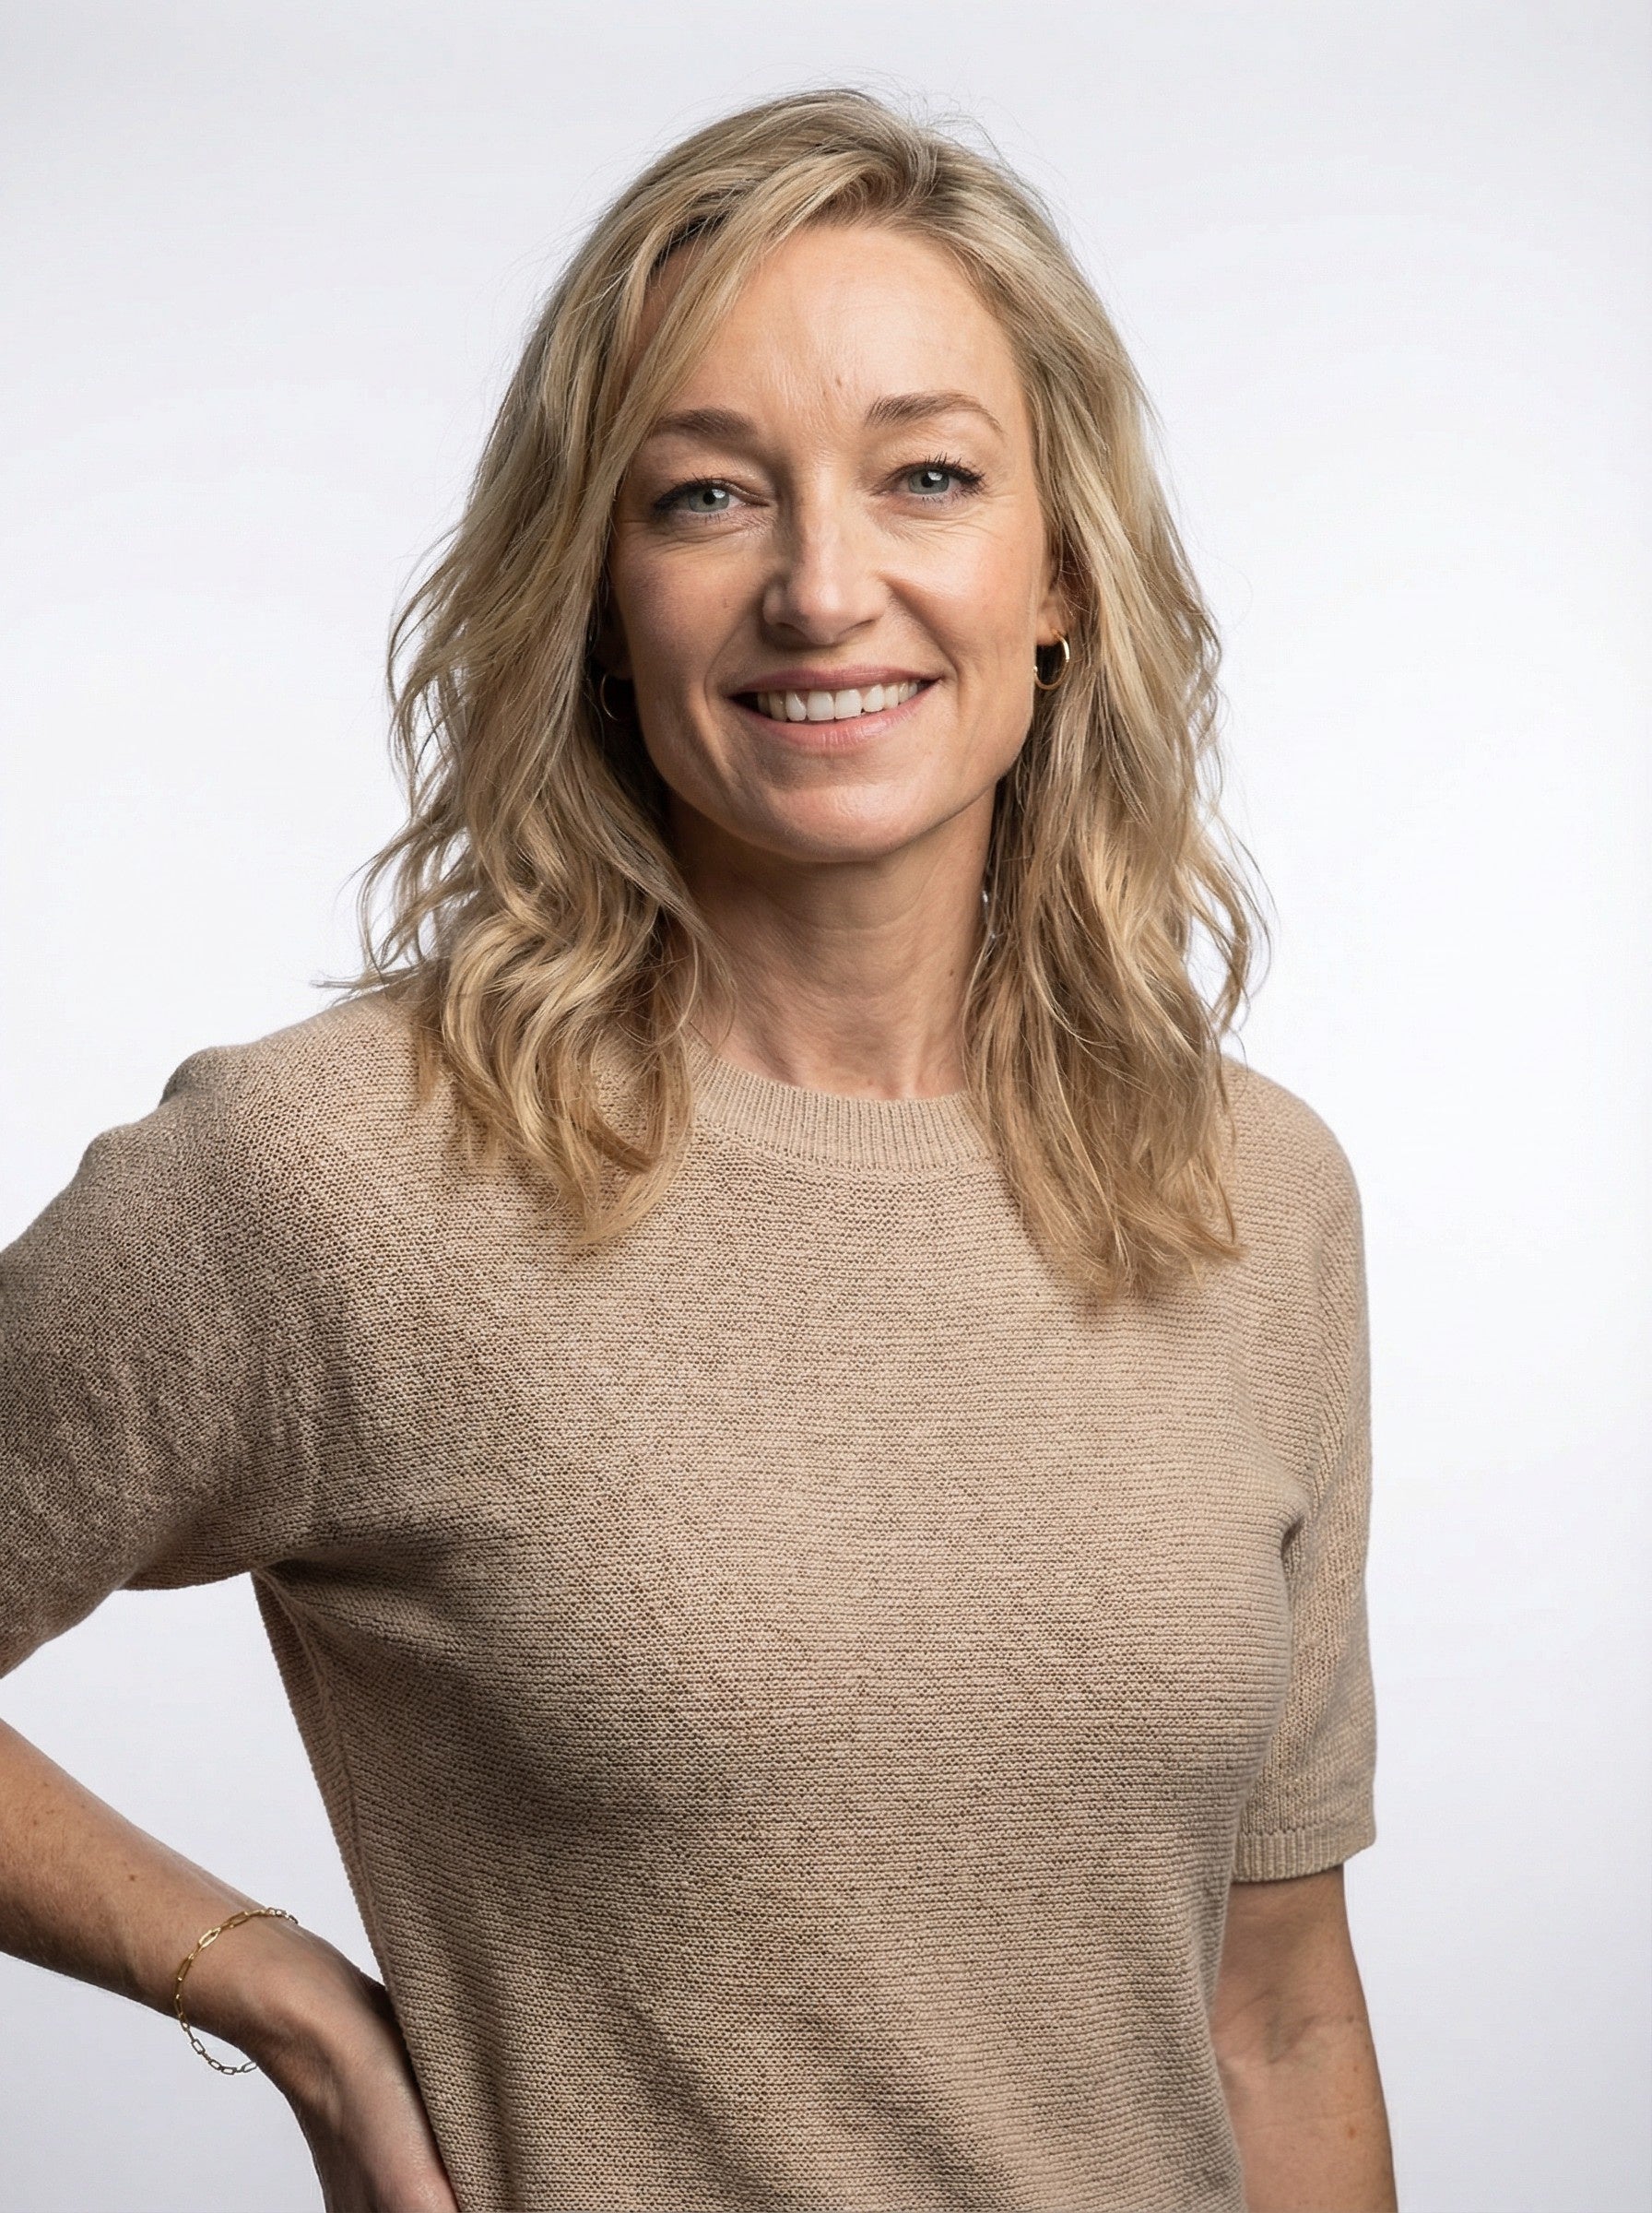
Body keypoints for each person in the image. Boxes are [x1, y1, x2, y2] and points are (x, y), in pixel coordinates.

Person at [0, 87, 1398, 2213]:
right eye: (707, 498)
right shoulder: (338, 1177)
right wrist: (273, 1991)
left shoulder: (1243, 1192)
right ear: (592, 598)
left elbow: (1275, 2003)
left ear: (1063, 583)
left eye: (925, 476)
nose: (822, 589)